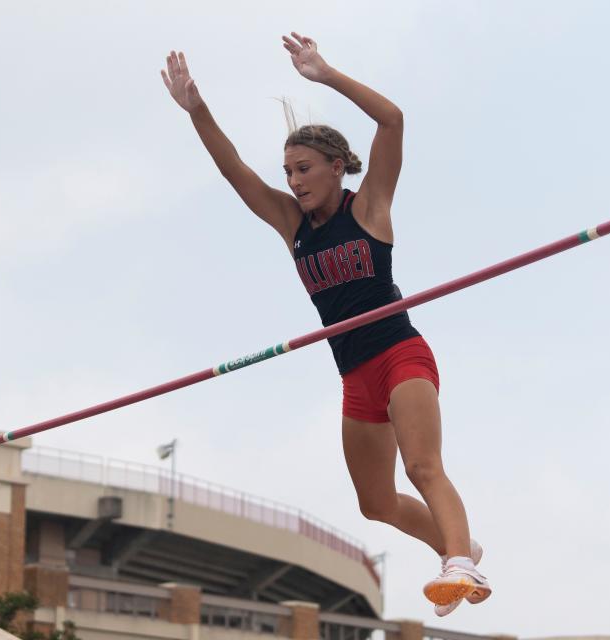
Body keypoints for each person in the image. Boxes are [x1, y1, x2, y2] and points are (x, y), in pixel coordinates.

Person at [161, 33, 491, 616]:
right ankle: (458, 543)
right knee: (376, 503)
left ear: (337, 167)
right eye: (287, 171)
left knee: (421, 467)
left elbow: (393, 121)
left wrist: (327, 74)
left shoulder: (369, 207)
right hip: (354, 375)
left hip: (400, 355)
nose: (293, 181)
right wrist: (198, 110)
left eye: (304, 169)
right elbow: (232, 167)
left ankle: (458, 563)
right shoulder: (292, 224)